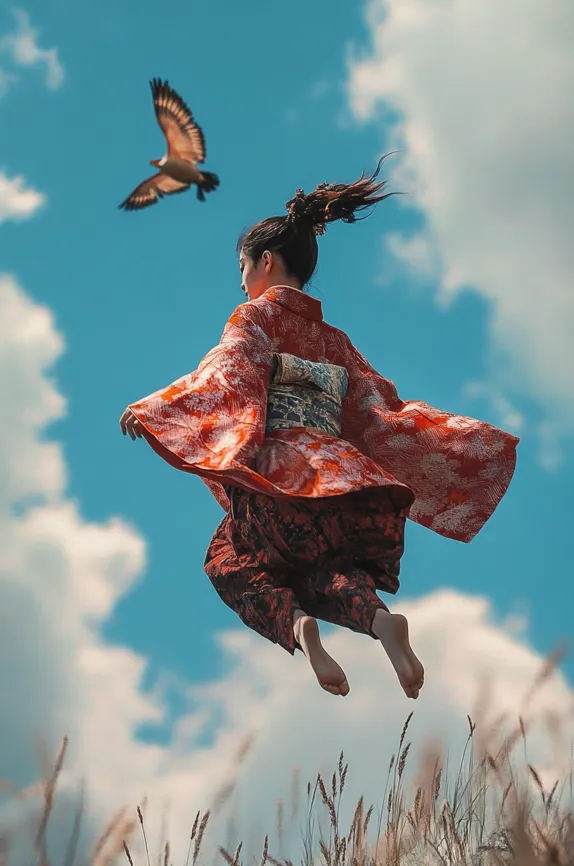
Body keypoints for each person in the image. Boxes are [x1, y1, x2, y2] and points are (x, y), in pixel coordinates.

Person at [120, 159, 519, 700]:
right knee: (327, 570)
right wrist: (464, 441)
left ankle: (300, 630)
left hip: (283, 483)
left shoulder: (254, 319)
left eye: (242, 266)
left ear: (264, 260)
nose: (240, 282)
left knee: (229, 562)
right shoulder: (336, 343)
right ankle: (380, 622)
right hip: (345, 488)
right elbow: (380, 409)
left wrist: (156, 409)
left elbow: (228, 371)